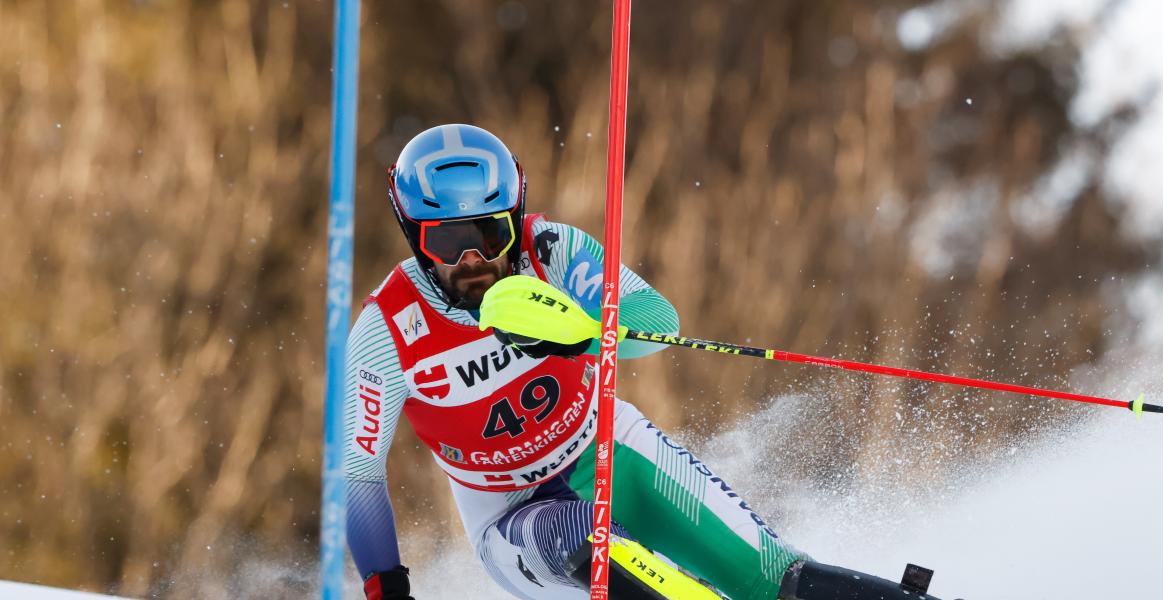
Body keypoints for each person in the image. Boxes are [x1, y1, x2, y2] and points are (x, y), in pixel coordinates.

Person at [344, 124, 943, 600]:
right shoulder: (386, 329)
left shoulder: (553, 249)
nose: (471, 258)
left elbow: (659, 325)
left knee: (772, 578)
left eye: (488, 231)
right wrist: (386, 586)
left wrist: (581, 335)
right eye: (445, 241)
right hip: (510, 516)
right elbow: (360, 474)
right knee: (592, 540)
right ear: (410, 233)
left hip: (613, 451)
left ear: (515, 215)